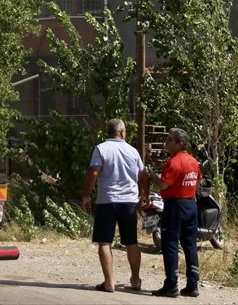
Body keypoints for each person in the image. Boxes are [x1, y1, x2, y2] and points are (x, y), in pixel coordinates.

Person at [81, 118, 147, 293]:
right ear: (123, 132)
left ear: (107, 133)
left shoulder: (101, 148)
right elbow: (143, 174)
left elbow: (94, 171)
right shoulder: (132, 151)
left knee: (104, 241)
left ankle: (109, 282)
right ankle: (135, 279)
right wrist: (146, 193)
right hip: (129, 202)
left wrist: (86, 194)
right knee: (131, 242)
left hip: (107, 200)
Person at [143, 127, 201, 298]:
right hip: (190, 203)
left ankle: (171, 284)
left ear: (179, 144)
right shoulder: (193, 161)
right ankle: (192, 284)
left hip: (175, 204)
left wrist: (152, 177)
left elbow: (164, 185)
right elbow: (197, 183)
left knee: (170, 244)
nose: (166, 142)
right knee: (190, 245)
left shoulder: (174, 162)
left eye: (170, 140)